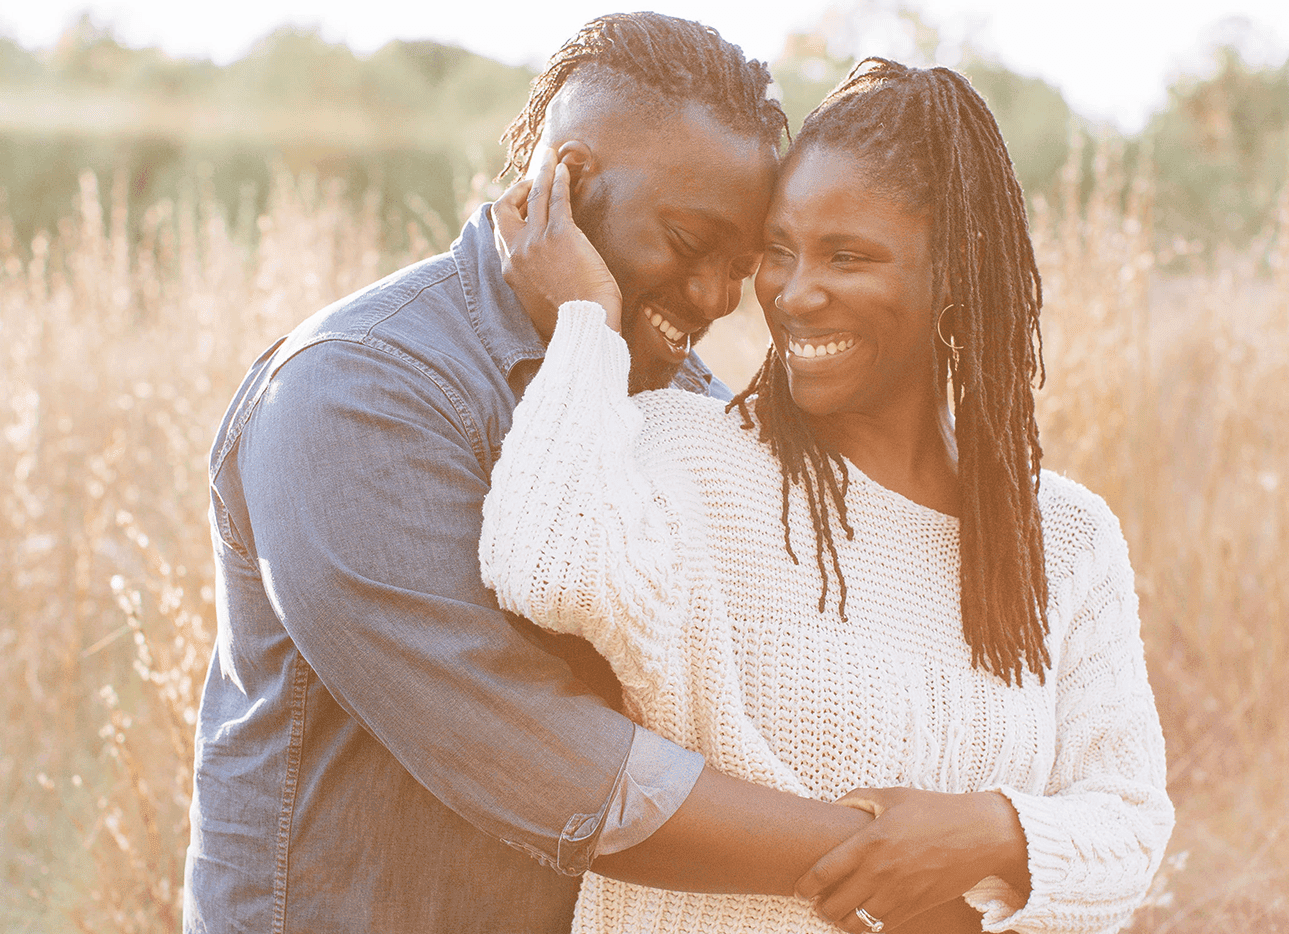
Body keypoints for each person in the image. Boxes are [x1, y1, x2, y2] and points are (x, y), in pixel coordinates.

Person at [184, 15, 965, 934]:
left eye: (741, 263)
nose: (717, 298)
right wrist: (878, 867)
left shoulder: (682, 396)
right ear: (566, 182)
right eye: (686, 241)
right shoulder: (358, 392)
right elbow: (526, 753)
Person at [482, 58, 1175, 933]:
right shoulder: (692, 453)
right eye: (779, 251)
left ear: (954, 276)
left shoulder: (1066, 538)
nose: (793, 294)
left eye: (848, 257)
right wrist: (586, 322)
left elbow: (1130, 823)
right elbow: (545, 567)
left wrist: (995, 831)